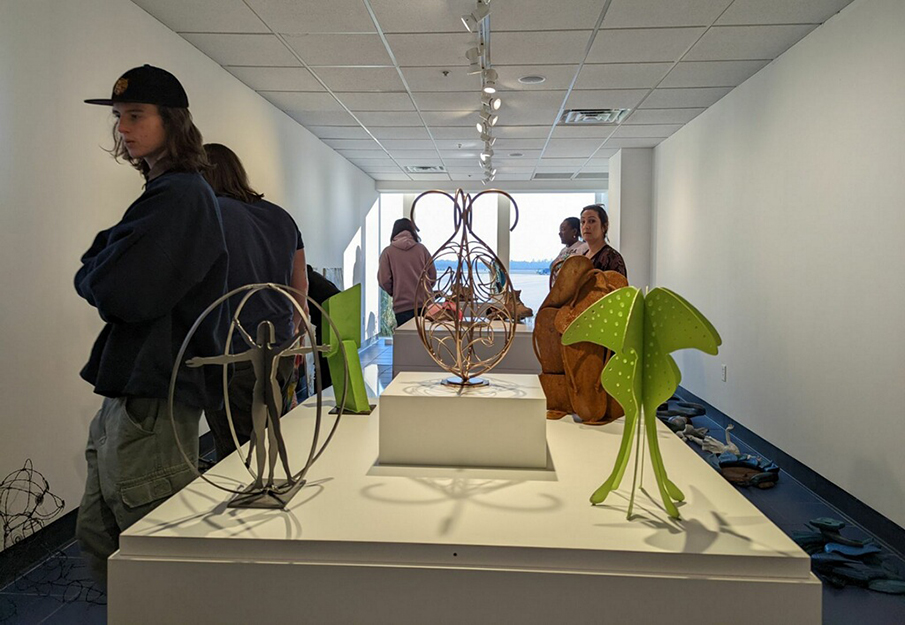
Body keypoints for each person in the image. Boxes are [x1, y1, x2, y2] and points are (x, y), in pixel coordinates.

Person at [75, 65, 229, 586]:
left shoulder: (181, 196)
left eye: (136, 115)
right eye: (120, 117)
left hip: (154, 395)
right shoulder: (167, 194)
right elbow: (102, 265)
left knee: (152, 550)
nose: (123, 128)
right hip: (134, 388)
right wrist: (102, 262)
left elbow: (119, 288)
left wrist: (100, 263)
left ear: (173, 121)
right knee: (103, 536)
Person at [201, 143, 307, 462]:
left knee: (236, 451)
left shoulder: (212, 214)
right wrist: (292, 334)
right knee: (274, 432)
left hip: (234, 351)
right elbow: (298, 288)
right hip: (281, 345)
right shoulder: (281, 217)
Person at [378, 218, 437, 328]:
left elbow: (384, 280)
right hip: (425, 305)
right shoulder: (422, 249)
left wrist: (395, 291)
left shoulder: (388, 252)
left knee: (406, 342)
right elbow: (432, 276)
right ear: (412, 231)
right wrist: (426, 289)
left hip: (402, 306)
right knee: (427, 342)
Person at [580, 204, 627, 278]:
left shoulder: (612, 257)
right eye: (583, 222)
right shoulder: (583, 256)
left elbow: (620, 287)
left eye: (592, 221)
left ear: (604, 226)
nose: (586, 226)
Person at [550, 217, 587, 283]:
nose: (560, 233)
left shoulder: (584, 248)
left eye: (563, 229)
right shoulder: (563, 251)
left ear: (574, 232)